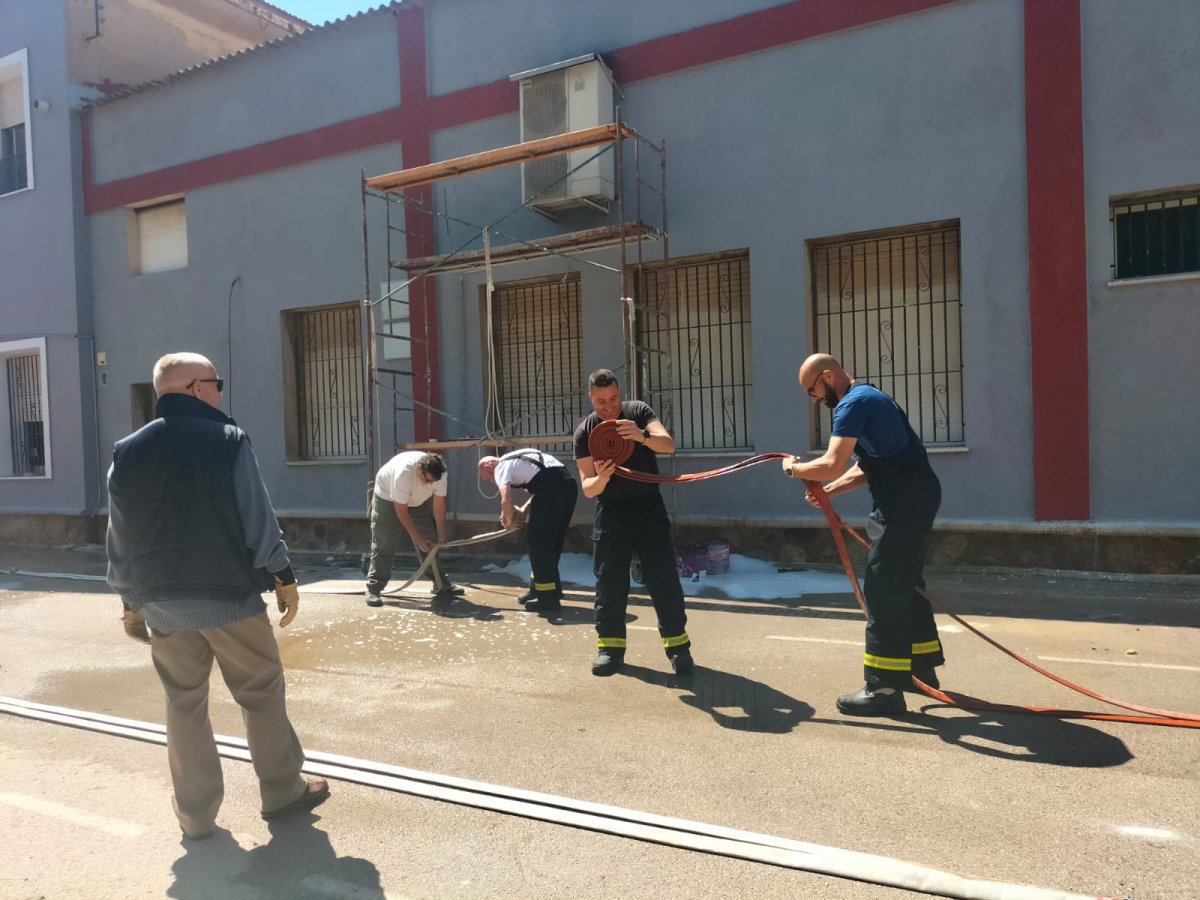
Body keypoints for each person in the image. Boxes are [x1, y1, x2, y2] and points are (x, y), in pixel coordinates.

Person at [106, 352, 329, 839]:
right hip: (230, 596)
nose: (221, 392)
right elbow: (257, 513)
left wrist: (129, 600)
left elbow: (119, 535)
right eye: (216, 382)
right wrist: (282, 573)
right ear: (194, 388)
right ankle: (282, 791)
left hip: (164, 604)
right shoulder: (227, 438)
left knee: (183, 706)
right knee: (261, 694)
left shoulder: (126, 452)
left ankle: (196, 816)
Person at [781, 353, 943, 716]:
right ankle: (920, 667)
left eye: (812, 390)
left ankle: (883, 688)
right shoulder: (869, 397)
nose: (815, 400)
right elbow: (867, 467)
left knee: (884, 587)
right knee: (905, 582)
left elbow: (831, 463)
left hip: (904, 502)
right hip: (910, 497)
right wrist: (829, 491)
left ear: (827, 376)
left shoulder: (852, 404)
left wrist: (793, 469)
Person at [573, 369, 694, 676]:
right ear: (591, 398)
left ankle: (678, 648)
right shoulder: (585, 432)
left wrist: (641, 436)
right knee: (609, 582)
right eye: (601, 401)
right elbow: (588, 488)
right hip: (611, 511)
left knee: (663, 577)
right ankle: (610, 650)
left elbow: (668, 444)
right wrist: (602, 477)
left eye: (613, 398)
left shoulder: (637, 412)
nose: (609, 406)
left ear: (620, 393)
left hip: (647, 507)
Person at [478, 449, 579, 612]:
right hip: (566, 488)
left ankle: (547, 599)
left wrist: (508, 521)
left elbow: (506, 500)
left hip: (552, 491)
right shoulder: (520, 458)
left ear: (489, 467)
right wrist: (524, 510)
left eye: (488, 479)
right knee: (549, 543)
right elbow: (544, 484)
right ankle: (539, 590)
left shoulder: (501, 466)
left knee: (538, 544)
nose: (491, 482)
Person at [365, 450, 462, 606]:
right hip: (388, 497)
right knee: (385, 542)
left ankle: (441, 584)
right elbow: (401, 511)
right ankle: (374, 588)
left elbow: (439, 503)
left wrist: (441, 535)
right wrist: (417, 537)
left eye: (433, 482)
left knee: (429, 543)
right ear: (419, 470)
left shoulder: (441, 472)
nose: (430, 484)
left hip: (418, 501)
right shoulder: (403, 474)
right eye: (427, 480)